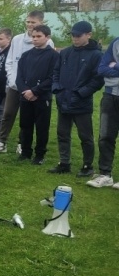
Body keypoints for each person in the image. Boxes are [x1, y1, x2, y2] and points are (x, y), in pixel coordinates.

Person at [0, 10, 55, 154]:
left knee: (27, 118)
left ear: (40, 23)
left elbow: (48, 67)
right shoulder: (17, 39)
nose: (30, 25)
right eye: (28, 22)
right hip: (15, 84)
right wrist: (14, 80)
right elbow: (10, 61)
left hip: (34, 88)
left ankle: (22, 143)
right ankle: (2, 141)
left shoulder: (47, 41)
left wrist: (35, 88)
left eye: (33, 22)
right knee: (8, 113)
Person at [48, 21, 104, 177]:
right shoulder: (65, 53)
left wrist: (82, 93)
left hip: (81, 103)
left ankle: (88, 166)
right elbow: (56, 72)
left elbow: (98, 80)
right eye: (72, 35)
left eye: (78, 35)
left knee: (85, 136)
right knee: (62, 133)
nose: (75, 38)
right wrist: (56, 88)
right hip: (63, 100)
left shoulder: (96, 55)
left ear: (88, 35)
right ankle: (64, 163)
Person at [16, 24, 59, 165]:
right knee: (25, 125)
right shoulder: (26, 55)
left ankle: (40, 155)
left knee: (41, 127)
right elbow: (19, 77)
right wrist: (25, 91)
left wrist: (35, 91)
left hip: (42, 97)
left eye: (38, 36)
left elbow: (52, 77)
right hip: (25, 96)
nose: (35, 39)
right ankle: (26, 152)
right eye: (33, 36)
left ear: (47, 37)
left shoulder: (53, 56)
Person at [86, 35, 119, 189]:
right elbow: (102, 68)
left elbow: (110, 68)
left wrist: (115, 66)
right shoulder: (116, 42)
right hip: (110, 95)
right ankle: (105, 174)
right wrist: (111, 66)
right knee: (105, 136)